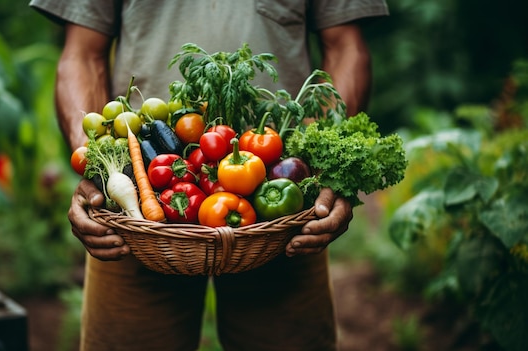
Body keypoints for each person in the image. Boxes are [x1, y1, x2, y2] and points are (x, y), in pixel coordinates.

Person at [29, 1, 388, 350]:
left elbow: (346, 47)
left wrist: (326, 171)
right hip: (135, 216)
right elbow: (82, 55)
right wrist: (98, 167)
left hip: (284, 217)